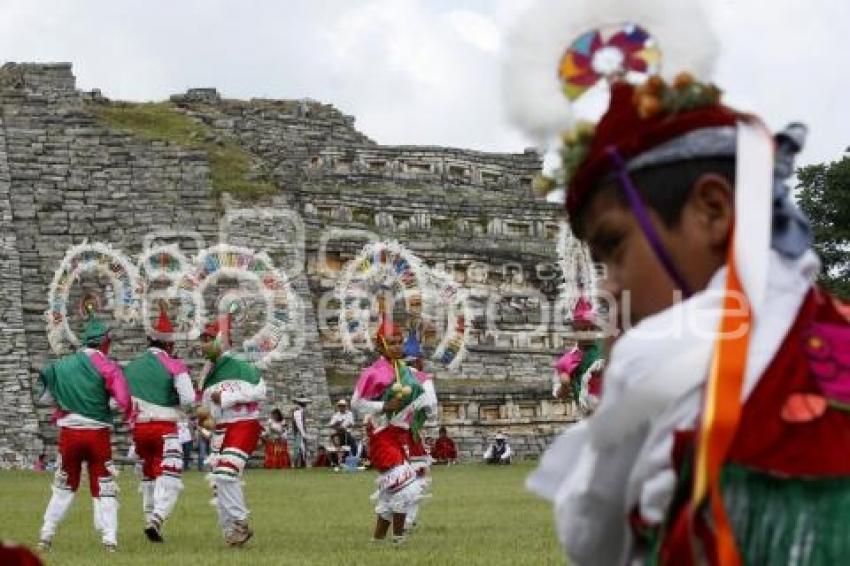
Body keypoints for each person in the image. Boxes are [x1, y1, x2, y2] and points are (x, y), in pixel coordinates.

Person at [511, 3, 847, 564]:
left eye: (614, 249)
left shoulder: (656, 355)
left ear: (713, 211)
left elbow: (591, 542)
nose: (610, 286)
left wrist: (620, 363)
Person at [37, 306, 132, 552]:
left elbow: (45, 398)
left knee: (63, 483)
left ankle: (46, 534)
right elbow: (122, 400)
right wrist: (103, 402)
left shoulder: (62, 366)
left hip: (69, 434)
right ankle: (109, 538)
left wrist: (69, 399)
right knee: (105, 484)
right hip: (97, 435)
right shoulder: (108, 367)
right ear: (104, 343)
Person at [351, 316, 433, 545]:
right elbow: (356, 404)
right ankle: (398, 539)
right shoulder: (373, 373)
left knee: (392, 492)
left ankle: (378, 540)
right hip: (382, 435)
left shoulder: (404, 370)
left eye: (400, 341)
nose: (397, 346)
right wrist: (384, 406)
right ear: (380, 346)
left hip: (401, 435)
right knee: (407, 487)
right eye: (392, 342)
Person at [124, 304, 195, 543]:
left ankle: (148, 518)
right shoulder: (174, 365)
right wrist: (173, 400)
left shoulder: (131, 367)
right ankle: (157, 518)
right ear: (169, 344)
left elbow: (122, 401)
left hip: (140, 430)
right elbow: (189, 399)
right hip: (165, 428)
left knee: (149, 475)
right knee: (170, 477)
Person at [198, 312, 266, 547]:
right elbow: (207, 413)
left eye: (207, 338)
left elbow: (259, 392)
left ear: (221, 339)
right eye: (202, 339)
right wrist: (205, 420)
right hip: (221, 430)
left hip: (244, 424)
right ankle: (231, 533)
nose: (203, 343)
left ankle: (239, 522)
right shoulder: (206, 377)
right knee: (219, 482)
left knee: (226, 473)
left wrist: (225, 396)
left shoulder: (242, 366)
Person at [291, 398, 310, 468]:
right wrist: (303, 433)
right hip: (299, 432)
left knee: (301, 448)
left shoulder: (300, 411)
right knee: (299, 448)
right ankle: (298, 464)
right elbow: (299, 423)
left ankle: (301, 463)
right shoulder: (298, 412)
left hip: (299, 432)